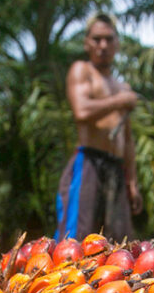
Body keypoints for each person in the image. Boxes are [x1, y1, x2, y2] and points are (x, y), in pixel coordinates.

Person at [55, 13, 143, 242]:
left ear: (117, 43)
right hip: (88, 163)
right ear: (87, 43)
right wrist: (120, 101)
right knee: (75, 241)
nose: (103, 45)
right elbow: (81, 111)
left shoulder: (122, 87)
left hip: (116, 169)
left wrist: (132, 181)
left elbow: (127, 138)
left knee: (120, 245)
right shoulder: (82, 71)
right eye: (96, 39)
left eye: (109, 39)